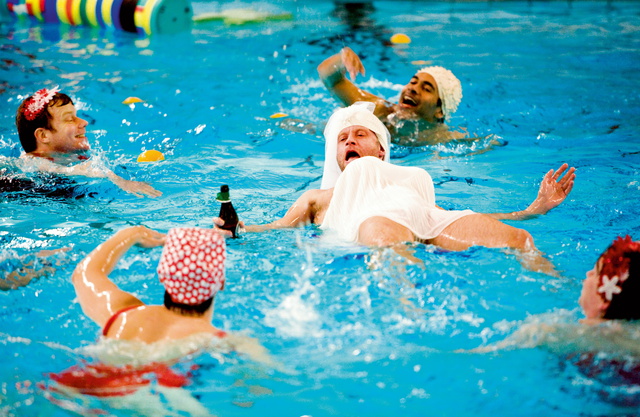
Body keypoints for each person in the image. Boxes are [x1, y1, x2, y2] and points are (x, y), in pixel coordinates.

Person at [216, 103, 575, 273]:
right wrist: (239, 229)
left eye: (360, 134)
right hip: (375, 224)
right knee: (391, 250)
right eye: (342, 139)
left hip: (430, 219)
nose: (350, 140)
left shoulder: (404, 179)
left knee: (520, 240)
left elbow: (448, 214)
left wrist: (533, 210)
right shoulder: (318, 198)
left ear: (381, 150)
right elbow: (278, 230)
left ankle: (567, 303)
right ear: (336, 156)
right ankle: (411, 324)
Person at [15, 87, 161, 198]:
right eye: (69, 119)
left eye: (77, 116)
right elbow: (67, 171)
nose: (84, 122)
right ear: (43, 135)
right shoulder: (32, 161)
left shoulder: (72, 157)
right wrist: (120, 181)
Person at [317, 46, 466, 144]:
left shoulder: (439, 138)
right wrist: (343, 58)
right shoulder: (381, 110)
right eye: (413, 82)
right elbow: (331, 79)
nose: (413, 89)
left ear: (439, 110)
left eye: (427, 89)